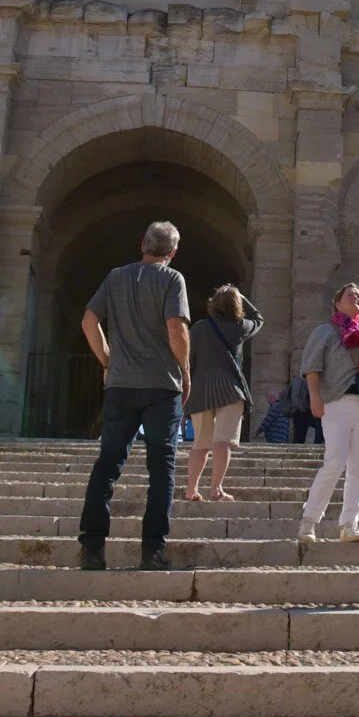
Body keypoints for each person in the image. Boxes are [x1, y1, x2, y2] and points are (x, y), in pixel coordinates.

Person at [77, 220, 193, 572]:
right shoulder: (173, 279)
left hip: (121, 386)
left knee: (108, 465)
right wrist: (186, 370)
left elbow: (87, 321)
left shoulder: (115, 277)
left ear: (142, 243)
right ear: (173, 252)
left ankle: (93, 549)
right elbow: (176, 329)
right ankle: (153, 551)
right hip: (161, 387)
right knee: (162, 469)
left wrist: (107, 359)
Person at [298, 283, 359, 543]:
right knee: (335, 462)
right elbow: (311, 366)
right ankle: (309, 521)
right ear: (337, 303)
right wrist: (315, 398)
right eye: (349, 295)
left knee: (358, 469)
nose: (356, 297)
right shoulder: (326, 332)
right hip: (336, 404)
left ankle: (350, 524)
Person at [184, 284, 264, 501]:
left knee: (199, 444)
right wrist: (241, 296)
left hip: (200, 391)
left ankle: (191, 488)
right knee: (223, 442)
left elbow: (187, 359)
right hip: (230, 390)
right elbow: (258, 319)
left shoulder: (199, 328)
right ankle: (216, 488)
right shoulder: (239, 327)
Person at [287, 372, 324, 445]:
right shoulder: (298, 380)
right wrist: (303, 409)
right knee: (299, 435)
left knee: (303, 434)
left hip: (304, 410)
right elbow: (296, 396)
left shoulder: (304, 380)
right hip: (299, 411)